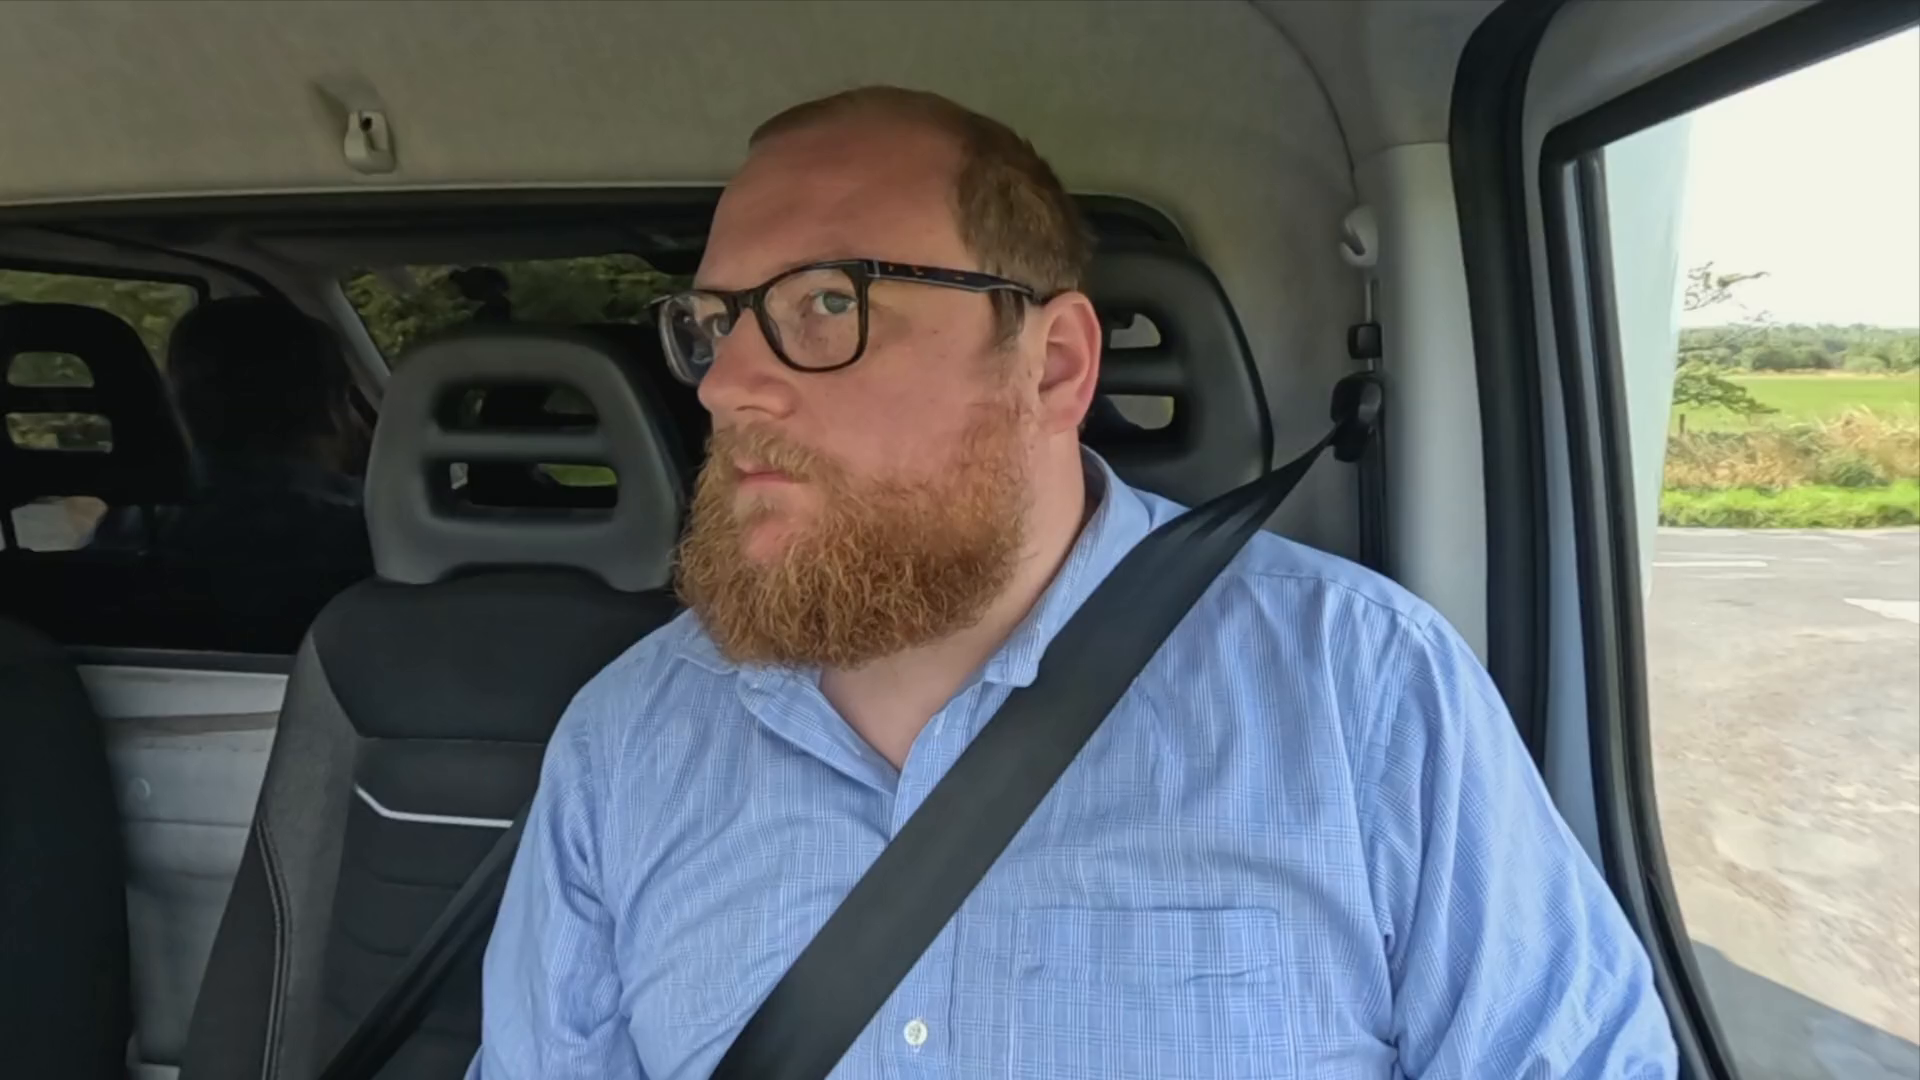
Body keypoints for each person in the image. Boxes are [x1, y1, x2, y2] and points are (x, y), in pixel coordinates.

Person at [471, 87, 1678, 1079]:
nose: (728, 384)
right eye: (715, 322)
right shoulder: (624, 742)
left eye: (828, 302)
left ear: (1051, 365)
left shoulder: (1361, 689)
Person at [100, 297, 373, 650]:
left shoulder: (127, 529)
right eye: (349, 399)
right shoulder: (365, 535)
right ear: (330, 407)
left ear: (182, 405)